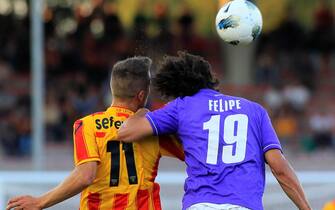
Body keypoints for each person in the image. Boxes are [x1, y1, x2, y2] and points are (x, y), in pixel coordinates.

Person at [118, 52, 311, 210]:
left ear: (177, 88)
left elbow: (126, 132)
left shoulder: (181, 106)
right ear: (210, 80)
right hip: (244, 205)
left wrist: (142, 111)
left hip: (200, 204)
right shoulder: (255, 110)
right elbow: (280, 169)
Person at [6, 57, 183, 210]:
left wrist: (40, 202)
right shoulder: (153, 128)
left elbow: (85, 175)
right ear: (141, 95)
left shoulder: (87, 125)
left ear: (113, 89)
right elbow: (198, 153)